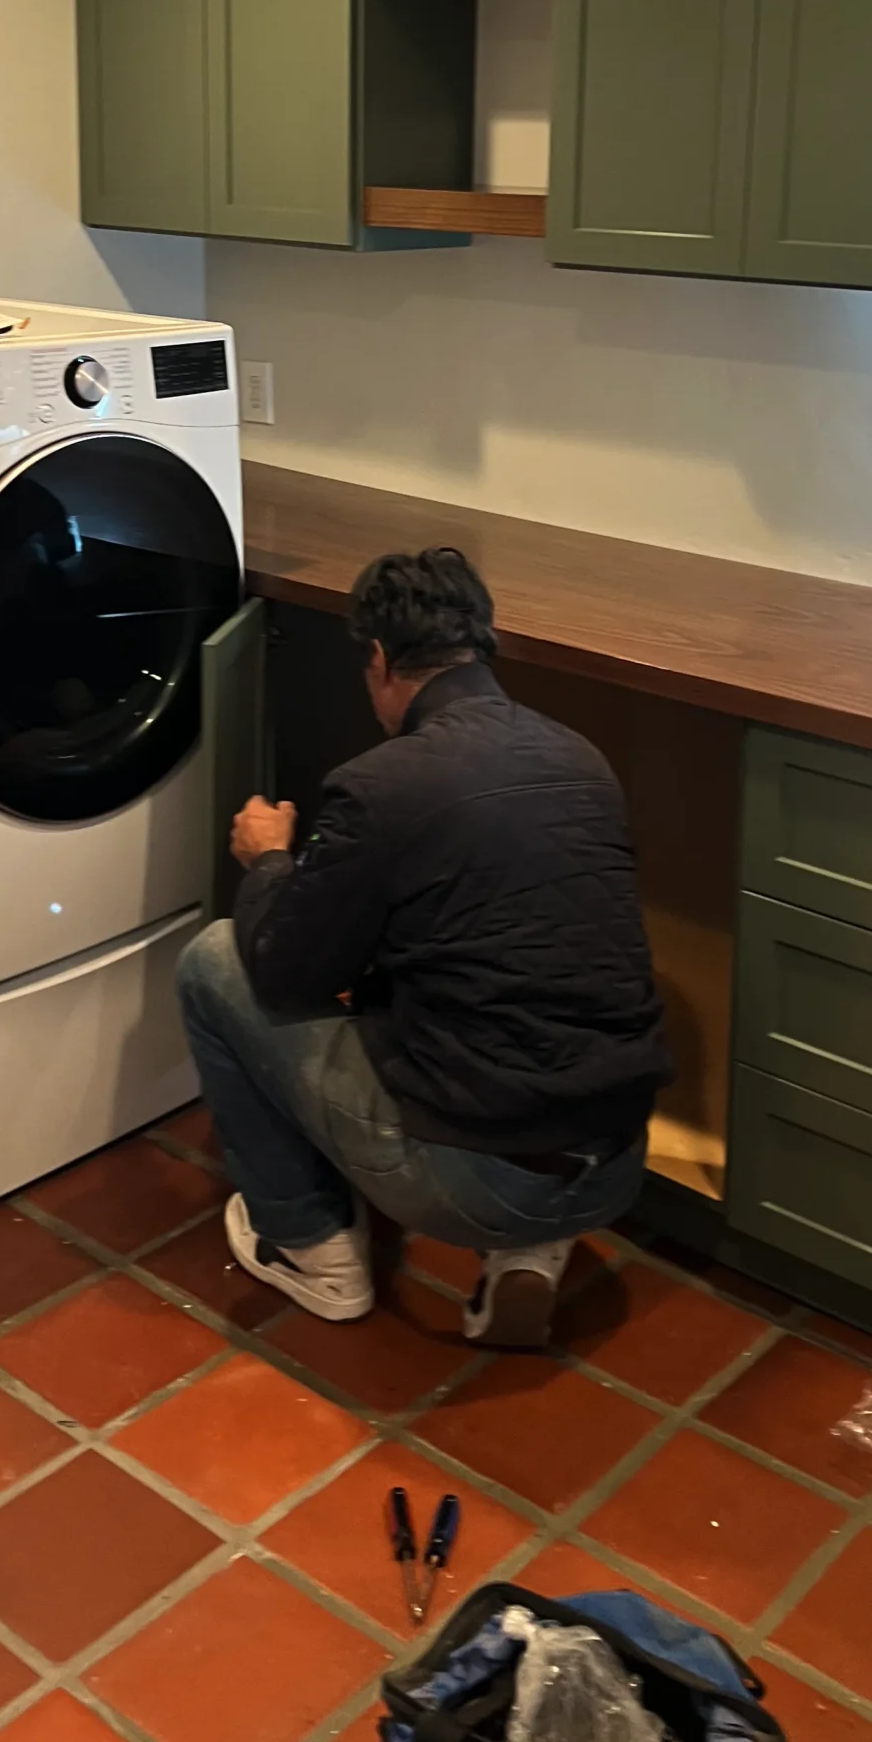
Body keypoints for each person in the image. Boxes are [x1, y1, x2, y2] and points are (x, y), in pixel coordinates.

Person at [175, 545, 671, 1349]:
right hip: (615, 1158)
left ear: (377, 658)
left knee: (215, 961)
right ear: (482, 642)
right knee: (497, 1019)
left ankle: (312, 1250)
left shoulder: (385, 784)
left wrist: (269, 860)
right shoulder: (582, 759)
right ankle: (531, 1251)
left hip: (476, 1175)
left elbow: (286, 975)